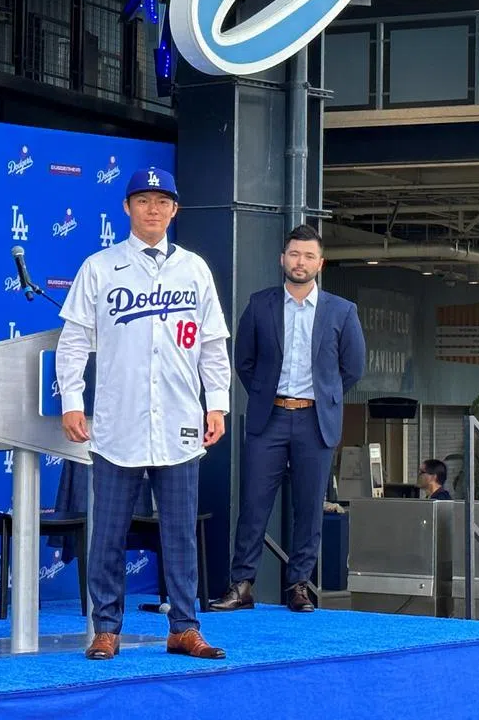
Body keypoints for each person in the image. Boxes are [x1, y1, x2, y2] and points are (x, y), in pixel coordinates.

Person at [57, 167, 231, 661]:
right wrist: (73, 400)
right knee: (108, 532)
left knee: (179, 533)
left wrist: (215, 402)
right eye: (143, 200)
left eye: (162, 201)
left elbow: (213, 346)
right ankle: (107, 627)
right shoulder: (99, 266)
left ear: (175, 210)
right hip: (118, 420)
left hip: (179, 419)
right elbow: (73, 345)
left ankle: (183, 627)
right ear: (127, 208)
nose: (153, 209)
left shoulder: (195, 269)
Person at [210, 224, 365, 614]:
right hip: (269, 419)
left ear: (320, 263)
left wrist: (325, 398)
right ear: (283, 258)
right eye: (295, 254)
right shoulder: (260, 304)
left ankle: (298, 585)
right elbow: (243, 361)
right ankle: (242, 584)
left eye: (309, 256)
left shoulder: (342, 311)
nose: (301, 262)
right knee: (253, 504)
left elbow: (353, 368)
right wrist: (265, 393)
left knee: (309, 507)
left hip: (315, 421)